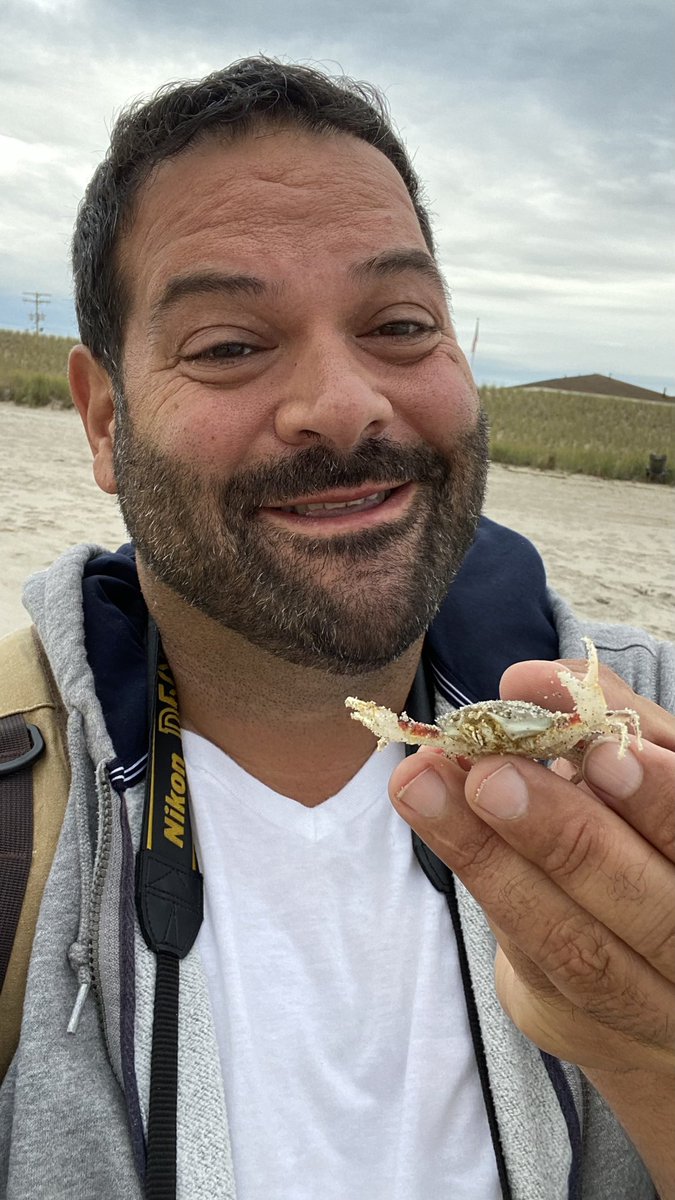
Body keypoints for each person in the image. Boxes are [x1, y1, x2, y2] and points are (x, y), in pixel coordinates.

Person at [0, 57, 673, 1200]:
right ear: (106, 420)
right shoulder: (17, 799)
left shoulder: (642, 727)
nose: (347, 402)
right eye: (228, 345)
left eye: (401, 324)